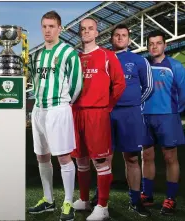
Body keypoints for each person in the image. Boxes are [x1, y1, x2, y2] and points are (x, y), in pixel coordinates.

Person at [27, 11, 82, 221]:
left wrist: (64, 102)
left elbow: (76, 84)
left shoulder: (68, 52)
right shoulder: (37, 55)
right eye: (44, 26)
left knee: (63, 156)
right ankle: (48, 200)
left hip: (58, 108)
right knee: (42, 156)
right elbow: (34, 81)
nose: (47, 30)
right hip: (39, 110)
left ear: (60, 28)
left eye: (51, 26)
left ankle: (68, 201)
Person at [71, 18, 126, 221]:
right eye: (83, 29)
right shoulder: (74, 57)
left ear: (97, 32)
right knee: (81, 160)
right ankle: (84, 200)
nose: (86, 31)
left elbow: (119, 84)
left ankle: (102, 207)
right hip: (76, 113)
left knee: (100, 161)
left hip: (97, 113)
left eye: (90, 28)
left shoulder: (107, 56)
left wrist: (108, 105)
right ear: (80, 33)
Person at [109, 24, 152, 216]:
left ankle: (135, 200)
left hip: (130, 114)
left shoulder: (139, 60)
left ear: (129, 39)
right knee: (103, 158)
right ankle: (99, 197)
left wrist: (133, 103)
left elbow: (148, 87)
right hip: (107, 113)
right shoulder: (104, 58)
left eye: (123, 35)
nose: (120, 38)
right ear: (112, 38)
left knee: (132, 158)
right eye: (117, 35)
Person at [141, 30, 185, 216]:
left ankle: (170, 198)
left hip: (167, 117)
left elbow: (183, 93)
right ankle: (147, 195)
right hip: (145, 117)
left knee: (170, 158)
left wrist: (174, 113)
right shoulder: (142, 65)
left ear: (165, 45)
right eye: (151, 43)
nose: (154, 47)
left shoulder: (175, 66)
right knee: (147, 157)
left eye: (158, 43)